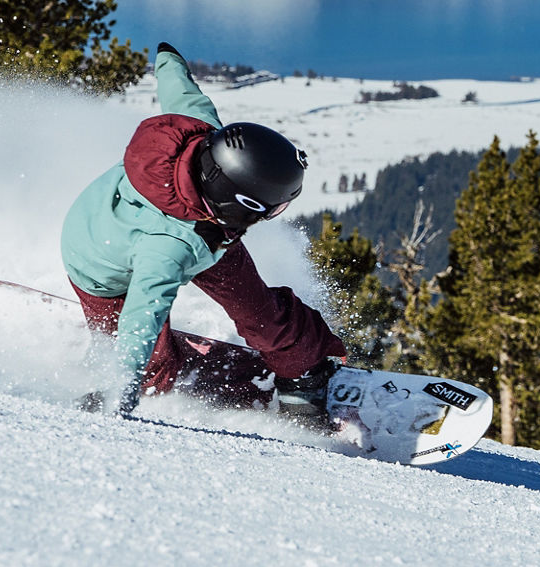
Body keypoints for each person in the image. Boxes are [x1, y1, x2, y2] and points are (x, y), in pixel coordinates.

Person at [60, 42, 348, 428]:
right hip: (102, 269)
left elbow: (181, 92)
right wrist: (122, 383)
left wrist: (168, 59)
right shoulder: (168, 248)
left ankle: (301, 377)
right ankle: (129, 382)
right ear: (237, 201)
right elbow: (144, 311)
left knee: (261, 312)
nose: (275, 216)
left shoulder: (204, 138)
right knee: (149, 366)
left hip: (205, 232)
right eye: (271, 208)